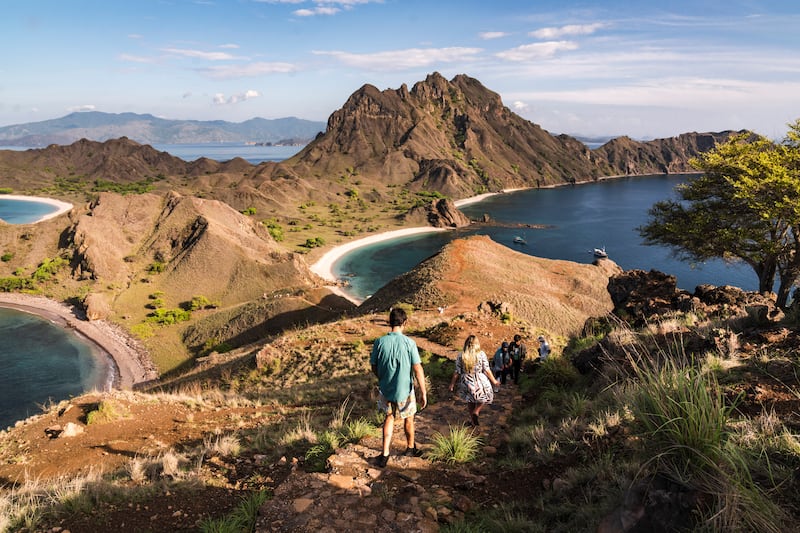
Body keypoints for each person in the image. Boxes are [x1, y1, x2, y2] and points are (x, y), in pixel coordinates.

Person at [370, 307, 427, 468]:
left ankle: (385, 454)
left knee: (388, 418)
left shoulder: (379, 342)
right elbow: (418, 369)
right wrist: (423, 391)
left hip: (385, 388)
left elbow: (373, 366)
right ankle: (410, 448)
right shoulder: (410, 343)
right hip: (405, 389)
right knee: (409, 419)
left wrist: (381, 377)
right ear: (405, 323)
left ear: (389, 322)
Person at [449, 335, 499, 427]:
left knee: (470, 400)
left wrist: (452, 384)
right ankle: (477, 411)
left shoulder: (461, 355)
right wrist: (494, 381)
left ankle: (473, 421)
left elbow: (457, 371)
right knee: (484, 396)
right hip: (479, 379)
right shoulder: (481, 354)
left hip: (466, 380)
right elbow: (487, 369)